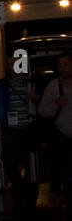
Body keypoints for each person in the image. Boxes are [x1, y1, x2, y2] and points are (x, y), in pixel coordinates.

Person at [0, 55, 36, 212]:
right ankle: (21, 188)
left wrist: (36, 98)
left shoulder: (30, 82)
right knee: (8, 161)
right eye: (7, 63)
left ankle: (28, 193)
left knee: (28, 162)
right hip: (10, 128)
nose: (9, 66)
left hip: (28, 127)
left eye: (13, 63)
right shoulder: (3, 84)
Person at [36, 52, 72, 206]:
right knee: (62, 168)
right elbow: (43, 110)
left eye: (66, 64)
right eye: (59, 65)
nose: (62, 68)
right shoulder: (54, 86)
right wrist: (57, 104)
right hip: (61, 136)